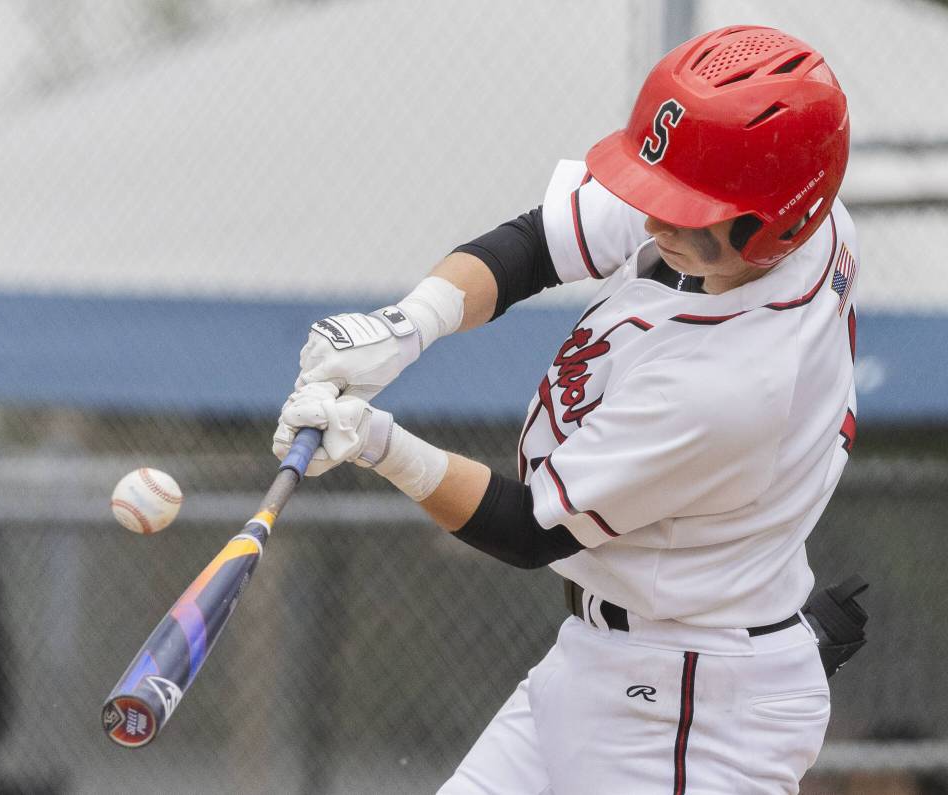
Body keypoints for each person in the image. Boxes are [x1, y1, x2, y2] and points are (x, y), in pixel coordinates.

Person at [274, 25, 857, 794]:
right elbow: (537, 243)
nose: (653, 222)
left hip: (687, 714)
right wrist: (408, 325)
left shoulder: (735, 385)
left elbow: (528, 528)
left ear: (777, 217)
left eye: (687, 209)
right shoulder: (793, 226)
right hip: (608, 657)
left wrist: (377, 442)